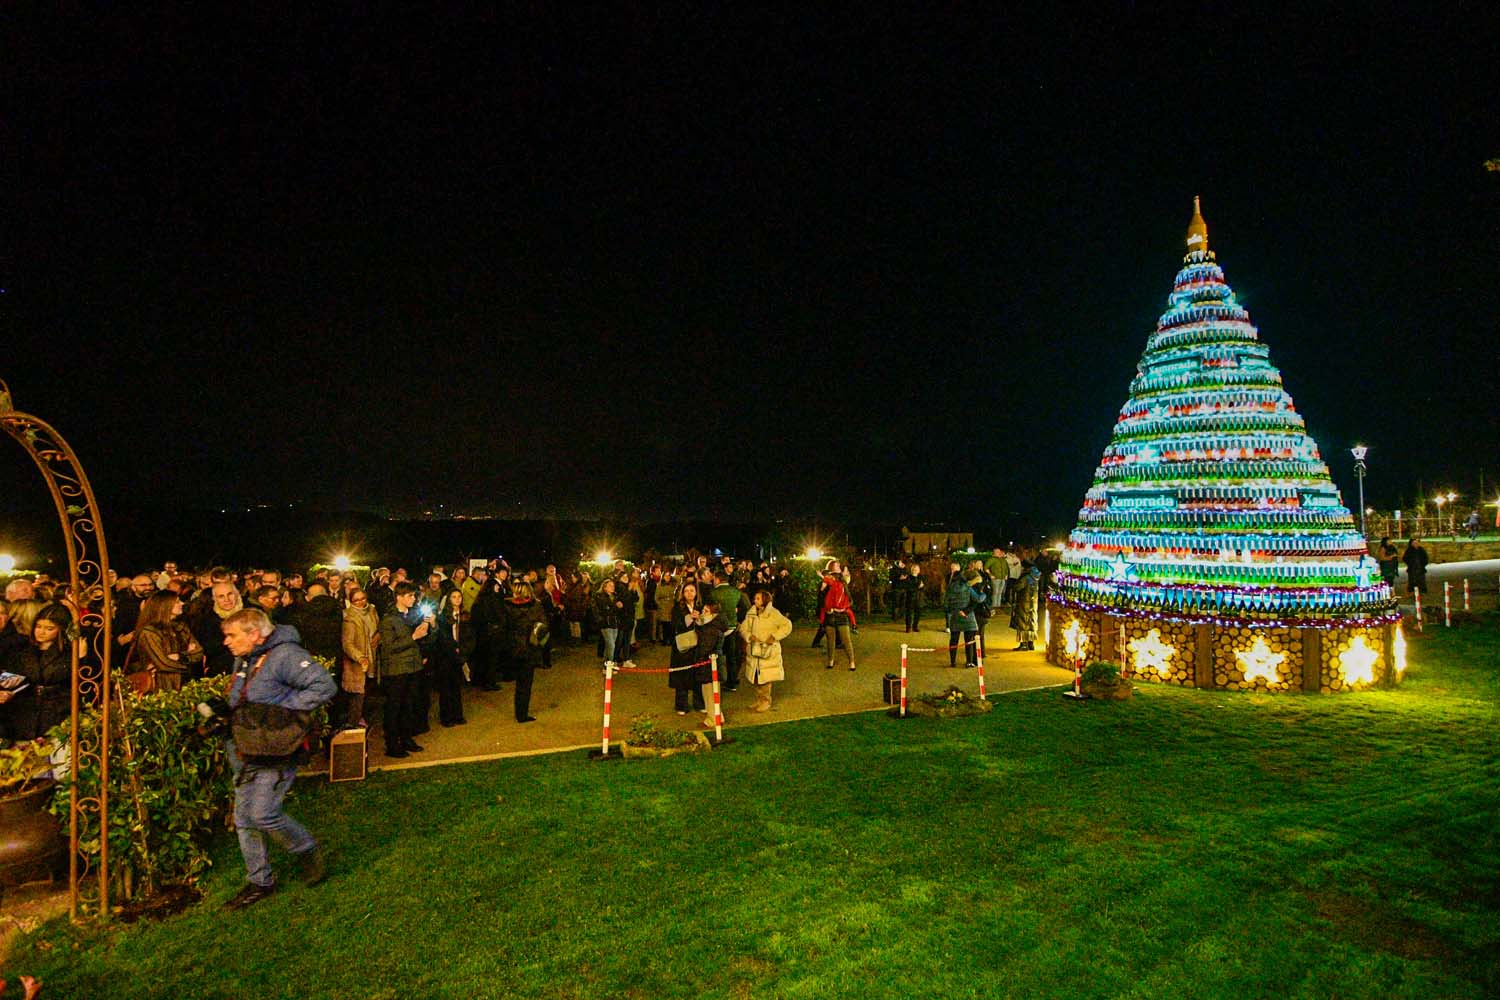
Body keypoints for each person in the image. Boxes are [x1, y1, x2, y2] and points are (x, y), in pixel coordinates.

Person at [217, 608, 337, 910]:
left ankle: (306, 849)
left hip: (275, 751)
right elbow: (245, 696)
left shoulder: (285, 655)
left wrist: (283, 711)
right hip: (246, 749)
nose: (226, 642)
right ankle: (260, 881)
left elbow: (323, 686)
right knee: (245, 818)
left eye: (231, 635)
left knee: (262, 813)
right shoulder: (246, 657)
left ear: (254, 634)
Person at [0, 604, 82, 742]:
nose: (41, 632)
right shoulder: (21, 649)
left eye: (49, 628)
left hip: (57, 712)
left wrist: (81, 658)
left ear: (60, 630)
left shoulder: (69, 652)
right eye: (38, 627)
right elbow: (12, 677)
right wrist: (5, 691)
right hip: (23, 713)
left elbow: (78, 680)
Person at [377, 582, 433, 759]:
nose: (413, 599)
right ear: (399, 597)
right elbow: (389, 646)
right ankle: (393, 744)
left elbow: (423, 639)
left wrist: (431, 626)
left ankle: (407, 738)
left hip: (413, 667)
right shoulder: (388, 619)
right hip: (396, 670)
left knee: (409, 705)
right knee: (395, 707)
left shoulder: (413, 615)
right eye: (409, 596)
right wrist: (413, 637)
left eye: (414, 596)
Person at [133, 591, 204, 692]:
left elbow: (199, 652)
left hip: (186, 685)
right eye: (177, 602)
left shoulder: (180, 627)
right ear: (165, 606)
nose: (182, 604)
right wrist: (189, 661)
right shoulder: (149, 633)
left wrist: (180, 656)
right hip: (162, 687)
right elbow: (162, 663)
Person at [500, 581, 548, 723]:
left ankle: (519, 712)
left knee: (518, 682)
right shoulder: (536, 606)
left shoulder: (507, 606)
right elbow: (543, 626)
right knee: (525, 683)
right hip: (529, 648)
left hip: (513, 648)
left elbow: (503, 627)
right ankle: (522, 714)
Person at [738, 589, 793, 712]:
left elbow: (787, 625)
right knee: (756, 678)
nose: (755, 601)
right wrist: (749, 636)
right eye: (755, 598)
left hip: (768, 652)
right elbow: (743, 628)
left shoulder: (774, 614)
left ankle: (766, 701)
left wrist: (774, 636)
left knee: (766, 678)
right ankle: (759, 700)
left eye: (758, 598)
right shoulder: (751, 613)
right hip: (754, 651)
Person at [430, 587, 471, 727]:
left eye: (459, 596)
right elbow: (443, 637)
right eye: (454, 597)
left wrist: (464, 650)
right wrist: (453, 648)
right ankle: (446, 717)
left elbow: (469, 636)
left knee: (456, 686)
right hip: (446, 656)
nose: (457, 599)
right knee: (446, 687)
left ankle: (457, 714)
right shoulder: (443, 617)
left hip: (459, 655)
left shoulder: (465, 615)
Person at [339, 588, 379, 729]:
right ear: (351, 601)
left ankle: (364, 720)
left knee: (369, 691)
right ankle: (354, 725)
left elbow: (377, 628)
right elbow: (347, 644)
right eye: (357, 600)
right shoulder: (349, 617)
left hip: (373, 656)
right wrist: (360, 657)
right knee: (357, 696)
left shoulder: (372, 611)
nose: (361, 602)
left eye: (363, 598)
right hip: (358, 662)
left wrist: (377, 636)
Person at [669, 581, 708, 715]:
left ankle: (699, 703)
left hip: (698, 646)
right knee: (682, 676)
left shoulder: (701, 606)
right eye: (686, 591)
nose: (689, 593)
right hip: (683, 647)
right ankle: (681, 705)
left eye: (692, 590)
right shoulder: (677, 608)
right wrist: (689, 618)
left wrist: (701, 619)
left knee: (698, 675)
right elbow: (675, 625)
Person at [818, 562, 857, 671]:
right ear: (831, 568)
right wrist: (826, 608)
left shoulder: (841, 579)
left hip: (841, 614)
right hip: (830, 614)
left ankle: (852, 661)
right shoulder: (827, 580)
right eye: (837, 566)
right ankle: (830, 660)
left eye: (840, 566)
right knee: (831, 640)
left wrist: (845, 573)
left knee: (846, 639)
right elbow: (821, 597)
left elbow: (845, 582)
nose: (839, 567)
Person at [944, 565, 983, 667]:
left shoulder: (950, 588)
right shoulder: (967, 587)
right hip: (967, 616)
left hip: (955, 616)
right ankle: (969, 661)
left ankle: (952, 662)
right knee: (968, 640)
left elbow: (945, 603)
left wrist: (950, 611)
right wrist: (984, 594)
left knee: (954, 640)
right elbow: (978, 599)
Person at [1011, 564, 1040, 650]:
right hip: (1033, 604)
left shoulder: (1026, 578)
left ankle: (1023, 644)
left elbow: (1018, 587)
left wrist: (1015, 585)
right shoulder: (1036, 578)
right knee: (1031, 623)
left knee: (1023, 623)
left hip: (1024, 603)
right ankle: (1031, 643)